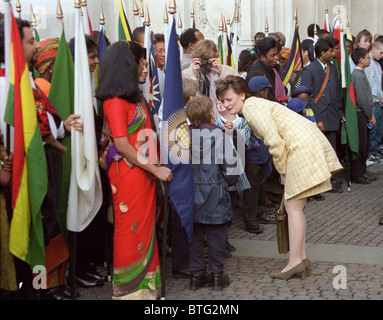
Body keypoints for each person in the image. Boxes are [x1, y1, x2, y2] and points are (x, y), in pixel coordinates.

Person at [216, 75, 343, 280]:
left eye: (229, 99)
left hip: (300, 146)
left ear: (241, 95)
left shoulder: (250, 108)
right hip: (302, 143)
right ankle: (300, 259)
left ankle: (295, 262)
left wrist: (282, 171)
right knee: (295, 208)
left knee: (293, 208)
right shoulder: (253, 105)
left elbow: (274, 142)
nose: (226, 104)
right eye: (223, 101)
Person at [96, 41, 172, 299]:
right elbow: (122, 145)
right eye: (140, 63)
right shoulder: (115, 102)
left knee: (146, 227)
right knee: (131, 229)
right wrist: (156, 169)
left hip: (142, 173)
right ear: (127, 65)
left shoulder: (133, 98)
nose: (144, 68)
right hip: (129, 174)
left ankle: (149, 290)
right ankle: (130, 293)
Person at [185, 95, 239, 291]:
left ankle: (196, 276)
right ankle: (217, 275)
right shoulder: (219, 135)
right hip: (215, 193)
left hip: (190, 195)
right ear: (211, 114)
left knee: (195, 238)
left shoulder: (183, 137)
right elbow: (232, 170)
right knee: (216, 238)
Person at [301, 38, 345, 193]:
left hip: (332, 115)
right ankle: (321, 183)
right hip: (319, 115)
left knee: (331, 149)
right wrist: (317, 119)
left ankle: (330, 180)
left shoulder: (332, 68)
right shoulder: (310, 70)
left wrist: (340, 112)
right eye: (331, 51)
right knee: (319, 151)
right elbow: (308, 97)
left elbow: (336, 92)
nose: (334, 53)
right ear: (323, 52)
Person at [350, 48, 377, 184]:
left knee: (365, 144)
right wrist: (370, 115)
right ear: (361, 60)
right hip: (360, 114)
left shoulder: (360, 74)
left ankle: (362, 171)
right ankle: (357, 173)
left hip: (363, 113)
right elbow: (362, 98)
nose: (369, 59)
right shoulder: (357, 75)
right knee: (360, 144)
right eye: (367, 57)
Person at [248, 37, 286, 103]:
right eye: (272, 55)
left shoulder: (276, 68)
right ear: (263, 57)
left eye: (276, 54)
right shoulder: (257, 71)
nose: (276, 58)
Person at [364, 37, 383, 163]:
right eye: (381, 52)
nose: (382, 55)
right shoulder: (367, 63)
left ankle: (375, 150)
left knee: (379, 128)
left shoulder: (377, 64)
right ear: (374, 49)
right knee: (373, 127)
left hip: (379, 101)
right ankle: (370, 152)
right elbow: (369, 84)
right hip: (372, 101)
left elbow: (379, 84)